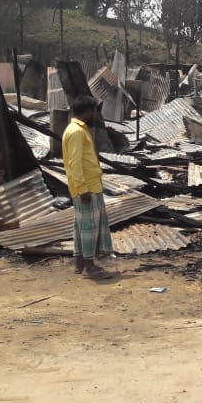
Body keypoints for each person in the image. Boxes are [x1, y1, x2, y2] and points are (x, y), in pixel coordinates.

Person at [63, 95, 114, 279]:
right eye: (93, 111)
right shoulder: (76, 132)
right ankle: (89, 268)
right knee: (89, 229)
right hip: (86, 188)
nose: (95, 115)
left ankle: (80, 264)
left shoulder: (77, 129)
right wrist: (83, 189)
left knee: (81, 227)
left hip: (89, 186)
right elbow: (74, 163)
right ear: (88, 112)